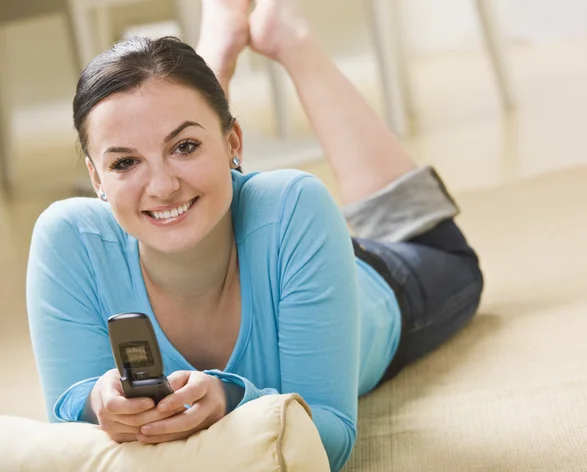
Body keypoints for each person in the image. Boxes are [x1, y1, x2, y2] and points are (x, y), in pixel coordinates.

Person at [26, 1, 484, 470]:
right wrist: (95, 404)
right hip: (255, 234)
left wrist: (230, 398)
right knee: (183, 161)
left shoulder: (294, 204)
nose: (160, 186)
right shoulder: (69, 239)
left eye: (185, 146)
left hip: (383, 281)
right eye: (124, 162)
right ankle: (217, 56)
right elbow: (70, 434)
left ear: (234, 143)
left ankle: (291, 40)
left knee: (436, 244)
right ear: (95, 178)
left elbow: (333, 440)